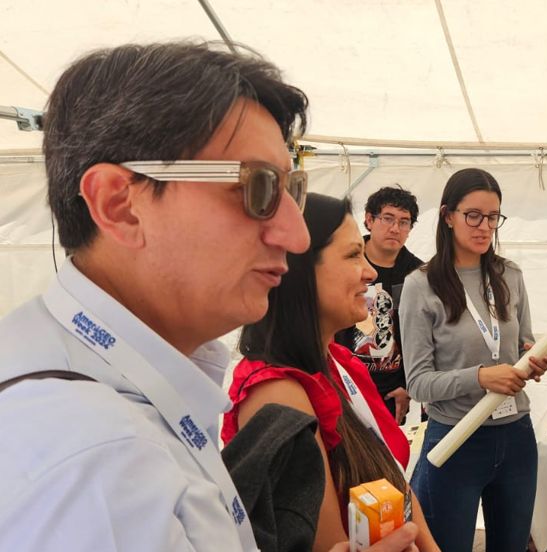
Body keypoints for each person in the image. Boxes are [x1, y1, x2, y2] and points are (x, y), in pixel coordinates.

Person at [0, 42, 417, 552]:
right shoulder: (93, 463)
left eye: (294, 190)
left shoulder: (112, 394)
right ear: (121, 205)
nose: (296, 234)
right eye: (257, 187)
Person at [225, 193, 439, 552]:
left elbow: (397, 482)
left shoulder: (339, 363)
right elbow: (328, 543)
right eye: (353, 254)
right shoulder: (278, 393)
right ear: (298, 270)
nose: (370, 272)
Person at [401, 168, 547, 552]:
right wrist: (482, 377)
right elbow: (419, 382)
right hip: (455, 438)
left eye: (493, 217)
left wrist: (531, 361)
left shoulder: (509, 275)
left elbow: (522, 344)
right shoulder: (422, 285)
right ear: (448, 215)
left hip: (516, 434)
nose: (484, 227)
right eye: (474, 215)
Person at [336, 185, 424, 424]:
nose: (395, 228)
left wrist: (407, 385)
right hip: (344, 385)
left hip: (393, 393)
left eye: (404, 222)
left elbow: (425, 336)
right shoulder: (344, 263)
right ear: (369, 219)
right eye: (388, 218)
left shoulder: (419, 274)